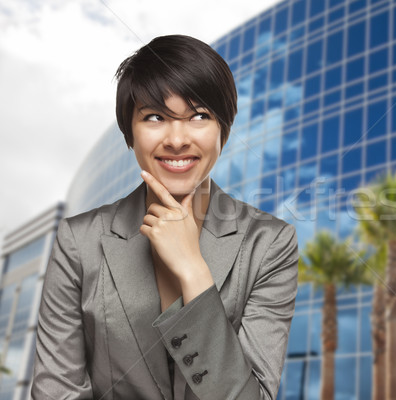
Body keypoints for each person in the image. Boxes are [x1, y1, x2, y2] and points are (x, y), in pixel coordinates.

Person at [31, 34, 298, 400]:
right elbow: (56, 392)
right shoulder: (80, 241)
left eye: (199, 116)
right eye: (155, 116)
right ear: (130, 131)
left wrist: (193, 270)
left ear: (224, 129)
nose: (176, 139)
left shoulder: (269, 244)